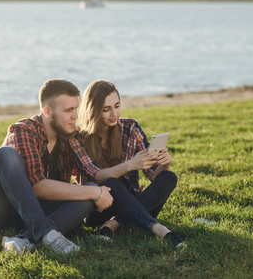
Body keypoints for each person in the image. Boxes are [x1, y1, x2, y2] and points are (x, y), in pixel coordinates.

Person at [0, 79, 113, 255]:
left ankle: (26, 239)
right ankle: (46, 232)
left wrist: (98, 189)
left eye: (76, 108)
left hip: (33, 216)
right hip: (0, 213)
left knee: (90, 190)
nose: (75, 116)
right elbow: (38, 187)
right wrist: (93, 192)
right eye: (68, 110)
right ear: (47, 111)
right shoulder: (23, 131)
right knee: (5, 154)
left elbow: (90, 175)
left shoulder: (70, 136)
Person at [72, 80, 184, 248]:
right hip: (100, 209)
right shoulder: (78, 137)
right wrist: (130, 165)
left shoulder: (130, 127)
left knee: (169, 177)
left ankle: (113, 225)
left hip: (136, 203)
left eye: (117, 106)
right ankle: (159, 229)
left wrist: (164, 163)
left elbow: (154, 174)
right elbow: (95, 176)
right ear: (93, 110)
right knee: (109, 182)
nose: (113, 114)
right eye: (106, 109)